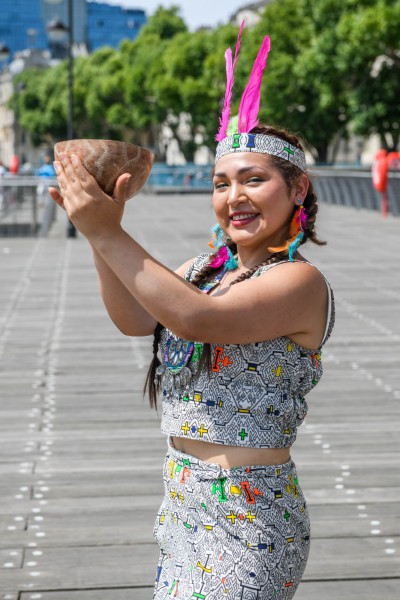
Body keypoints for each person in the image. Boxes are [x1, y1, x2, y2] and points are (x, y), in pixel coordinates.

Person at [49, 23, 334, 600]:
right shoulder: (202, 272)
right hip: (181, 499)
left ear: (297, 189)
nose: (235, 197)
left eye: (254, 180)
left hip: (250, 512)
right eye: (221, 183)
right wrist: (104, 232)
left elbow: (198, 322)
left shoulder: (300, 282)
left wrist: (106, 230)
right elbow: (136, 319)